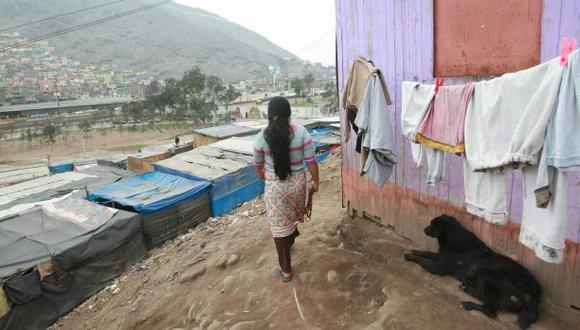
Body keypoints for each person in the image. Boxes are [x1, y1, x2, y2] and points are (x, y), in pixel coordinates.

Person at [253, 96, 319, 283]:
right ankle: (291, 238)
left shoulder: (261, 138)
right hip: (298, 185)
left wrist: (269, 179)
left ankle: (286, 271)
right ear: (289, 114)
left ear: (268, 116)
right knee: (291, 214)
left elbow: (258, 168)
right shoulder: (301, 132)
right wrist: (315, 182)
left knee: (278, 227)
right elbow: (312, 162)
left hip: (275, 188)